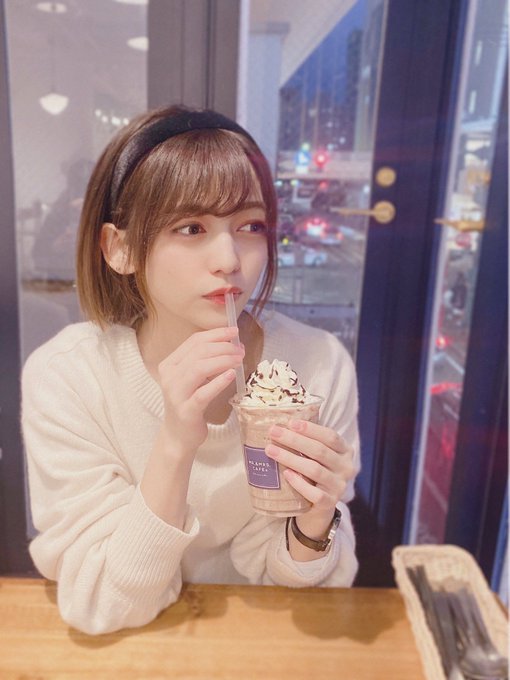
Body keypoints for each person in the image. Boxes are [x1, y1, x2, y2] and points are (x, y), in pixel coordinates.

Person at [21, 105, 360, 635]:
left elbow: (305, 596)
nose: (229, 258)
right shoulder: (70, 377)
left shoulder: (315, 365)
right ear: (120, 248)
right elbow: (105, 603)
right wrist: (176, 442)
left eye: (250, 226)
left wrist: (315, 522)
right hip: (135, 648)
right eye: (192, 227)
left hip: (263, 640)